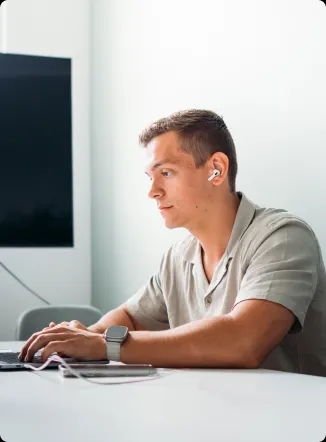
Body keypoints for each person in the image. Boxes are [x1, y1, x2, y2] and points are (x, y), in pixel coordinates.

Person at [19, 109, 326, 376]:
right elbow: (130, 319)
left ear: (216, 169)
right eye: (150, 177)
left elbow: (244, 341)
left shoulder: (283, 237)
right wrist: (86, 335)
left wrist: (103, 345)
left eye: (166, 173)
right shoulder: (178, 258)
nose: (152, 191)